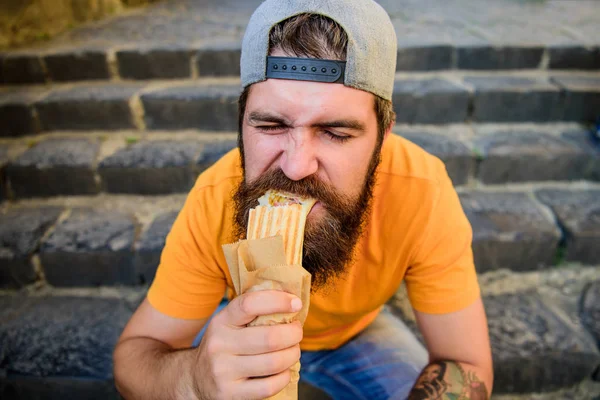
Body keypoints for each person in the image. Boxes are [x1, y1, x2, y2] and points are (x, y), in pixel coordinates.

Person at [113, 0, 494, 399]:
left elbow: (465, 364)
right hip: (240, 327)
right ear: (241, 123)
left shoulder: (421, 190)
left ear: (383, 137)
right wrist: (193, 376)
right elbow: (134, 358)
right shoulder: (215, 195)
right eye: (271, 125)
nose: (296, 167)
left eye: (336, 133)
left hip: (355, 336)